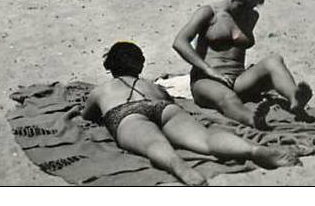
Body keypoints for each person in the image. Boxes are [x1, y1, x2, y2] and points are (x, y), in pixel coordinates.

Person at [78, 42, 299, 186]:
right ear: (139, 66)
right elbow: (166, 100)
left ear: (111, 67)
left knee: (153, 144)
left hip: (125, 113)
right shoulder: (151, 86)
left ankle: (179, 167)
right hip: (162, 107)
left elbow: (87, 115)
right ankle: (253, 149)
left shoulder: (101, 90)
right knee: (206, 138)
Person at [173, 0, 313, 129]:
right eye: (242, 6)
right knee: (227, 97)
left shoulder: (251, 16)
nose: (246, 11)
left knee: (274, 60)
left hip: (238, 80)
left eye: (251, 6)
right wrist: (209, 69)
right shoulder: (209, 13)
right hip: (206, 80)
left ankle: (295, 100)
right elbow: (180, 42)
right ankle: (253, 120)